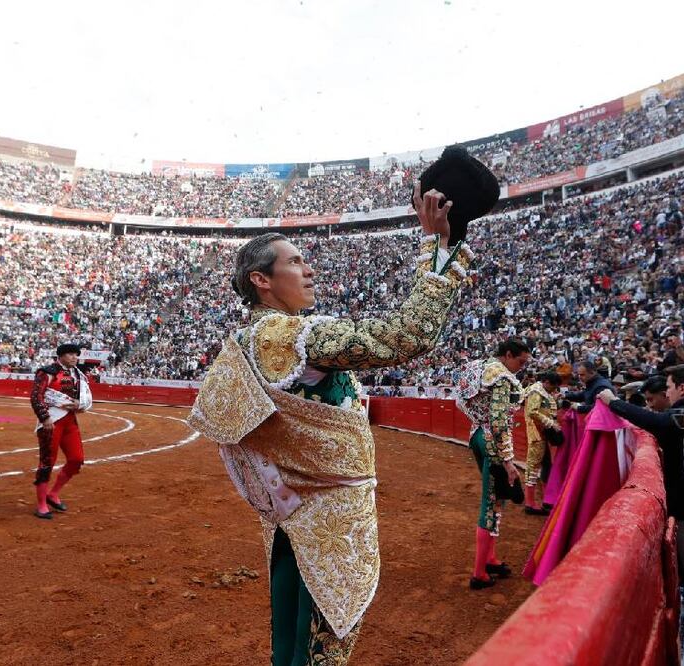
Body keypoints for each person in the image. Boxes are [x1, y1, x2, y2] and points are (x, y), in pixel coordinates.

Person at [187, 183, 473, 664]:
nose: (309, 268)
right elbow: (406, 335)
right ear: (262, 280)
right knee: (320, 643)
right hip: (327, 515)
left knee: (292, 637)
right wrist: (437, 247)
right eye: (295, 262)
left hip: (288, 512)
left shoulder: (245, 340)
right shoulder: (293, 335)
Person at [597, 364, 684, 657]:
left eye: (669, 386)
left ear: (681, 388)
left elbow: (654, 421)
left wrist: (612, 401)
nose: (666, 392)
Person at [455, 338, 531, 589]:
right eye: (520, 361)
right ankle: (479, 573)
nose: (521, 367)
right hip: (493, 445)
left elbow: (459, 401)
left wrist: (479, 422)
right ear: (508, 355)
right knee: (491, 503)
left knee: (497, 498)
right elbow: (499, 424)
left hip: (476, 436)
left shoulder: (477, 367)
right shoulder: (501, 377)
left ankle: (490, 558)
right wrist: (509, 462)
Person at [30, 343, 92, 520]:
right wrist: (44, 417)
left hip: (70, 422)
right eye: (70, 354)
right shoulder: (47, 372)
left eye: (76, 354)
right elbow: (36, 396)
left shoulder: (78, 375)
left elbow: (85, 399)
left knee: (76, 459)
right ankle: (41, 504)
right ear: (61, 356)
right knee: (47, 462)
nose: (74, 357)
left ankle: (53, 493)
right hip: (52, 422)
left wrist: (79, 404)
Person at [521, 370, 561, 515]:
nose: (554, 390)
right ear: (547, 383)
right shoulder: (536, 391)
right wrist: (551, 423)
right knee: (533, 465)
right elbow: (532, 411)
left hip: (541, 433)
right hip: (536, 434)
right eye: (553, 387)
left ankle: (547, 500)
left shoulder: (541, 391)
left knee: (546, 465)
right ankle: (530, 504)